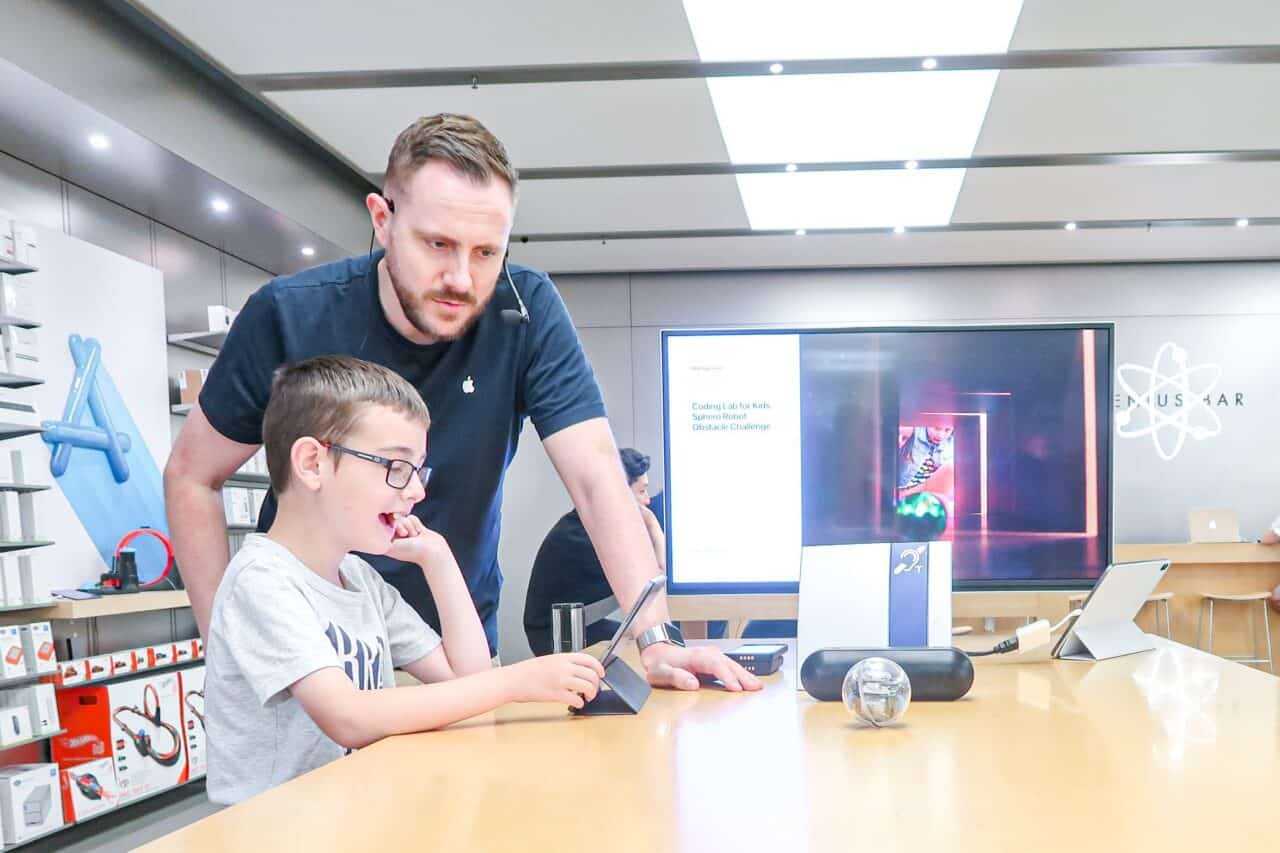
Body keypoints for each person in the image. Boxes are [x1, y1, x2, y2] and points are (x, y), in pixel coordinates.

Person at [164, 112, 757, 692]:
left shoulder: (525, 310)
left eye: (485, 252)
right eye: (438, 244)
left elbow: (598, 478)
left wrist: (656, 640)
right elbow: (192, 476)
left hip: (457, 648)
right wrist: (230, 647)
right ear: (382, 218)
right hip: (310, 648)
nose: (461, 278)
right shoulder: (290, 313)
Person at [204, 356, 604, 805]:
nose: (417, 491)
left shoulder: (358, 578)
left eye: (418, 470)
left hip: (350, 813)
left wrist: (439, 559)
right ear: (313, 462)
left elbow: (465, 681)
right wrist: (515, 681)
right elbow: (348, 717)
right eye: (396, 467)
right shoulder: (262, 580)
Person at [524, 448, 664, 655]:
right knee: (646, 647)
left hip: (582, 622)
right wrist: (652, 523)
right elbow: (658, 573)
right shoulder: (582, 535)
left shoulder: (590, 522)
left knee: (645, 643)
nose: (647, 500)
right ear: (622, 494)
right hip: (556, 633)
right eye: (642, 491)